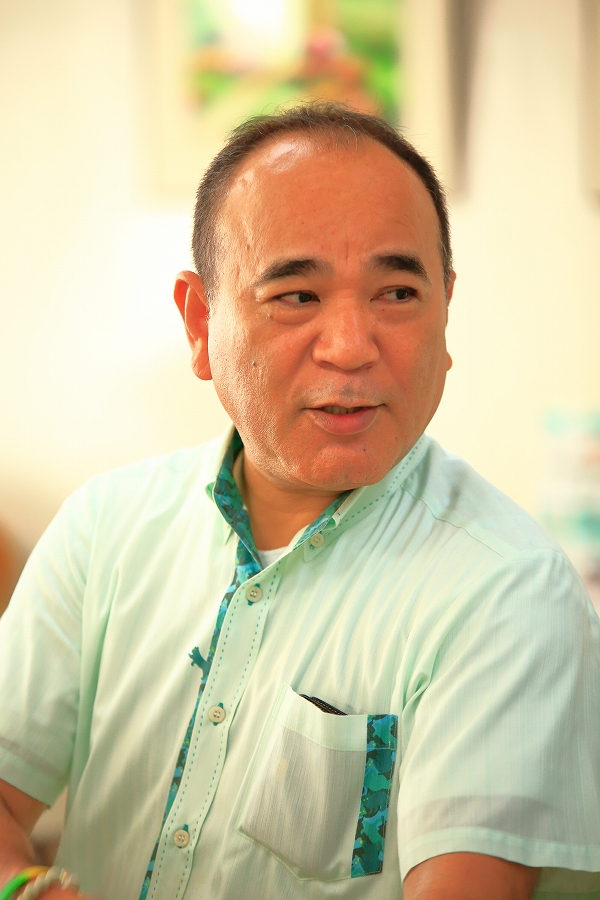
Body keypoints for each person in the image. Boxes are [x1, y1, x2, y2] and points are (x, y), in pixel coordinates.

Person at [0, 103, 599, 900]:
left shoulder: (510, 591)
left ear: (445, 311)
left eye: (397, 292)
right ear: (200, 323)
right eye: (296, 296)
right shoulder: (104, 526)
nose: (351, 346)